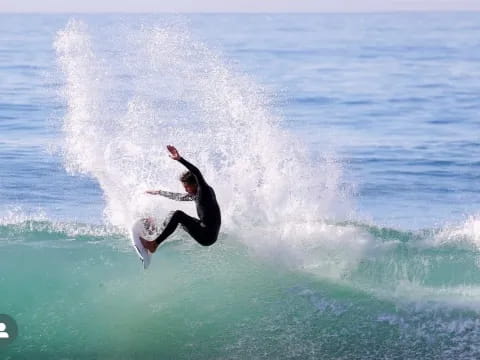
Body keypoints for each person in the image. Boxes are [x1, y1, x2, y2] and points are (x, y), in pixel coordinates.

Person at [140, 145, 221, 253]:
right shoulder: (195, 194)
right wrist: (159, 192)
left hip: (207, 235)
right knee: (173, 215)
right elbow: (178, 197)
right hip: (204, 230)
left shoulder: (204, 191)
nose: (185, 189)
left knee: (178, 215)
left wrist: (180, 159)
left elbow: (196, 172)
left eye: (187, 187)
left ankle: (154, 244)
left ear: (195, 184)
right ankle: (154, 233)